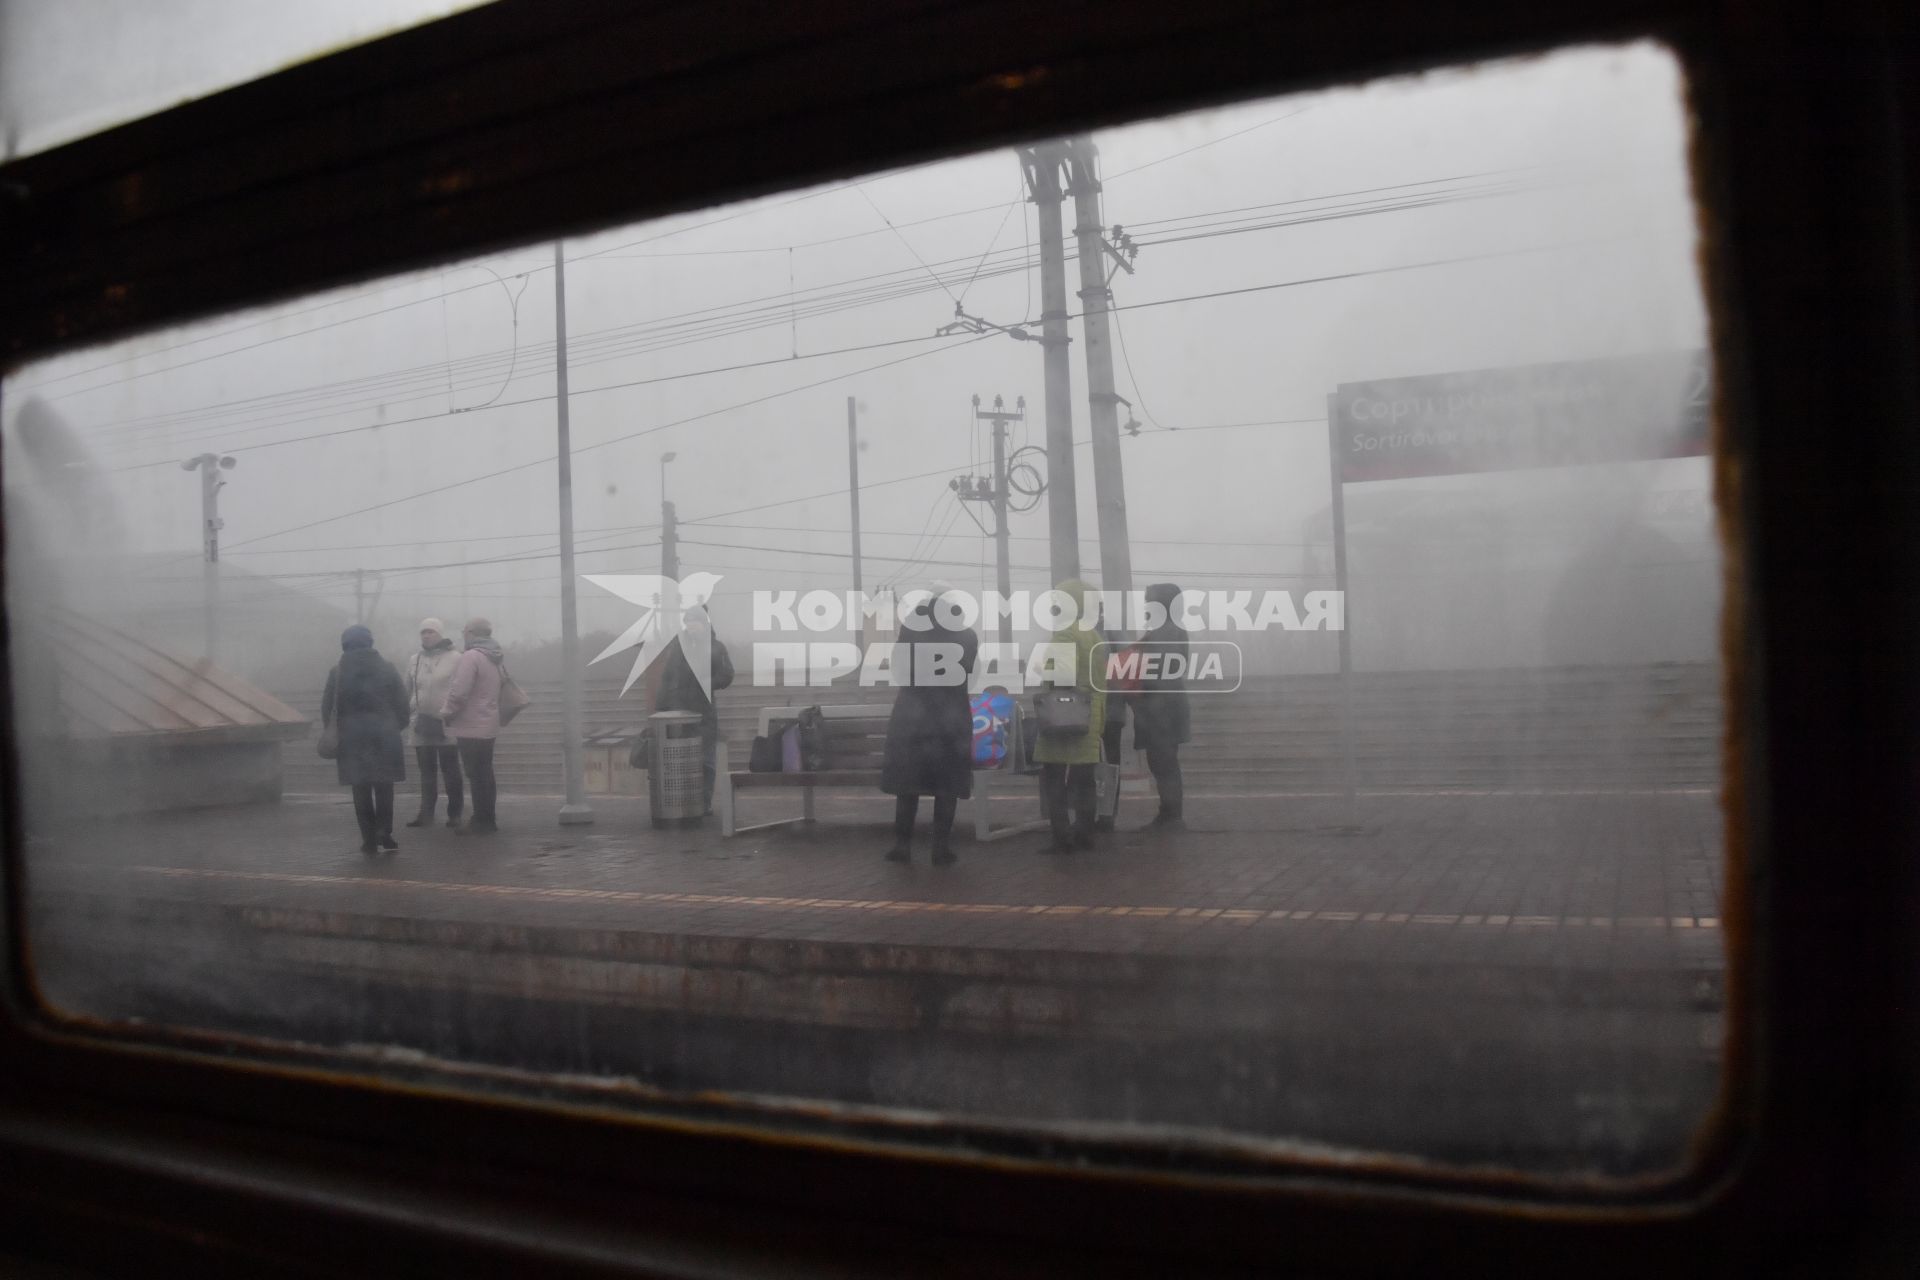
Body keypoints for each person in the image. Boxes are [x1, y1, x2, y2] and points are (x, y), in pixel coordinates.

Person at [879, 586, 979, 866]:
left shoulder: (912, 630)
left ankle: (902, 845)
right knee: (947, 785)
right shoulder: (966, 634)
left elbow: (898, 669)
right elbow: (969, 673)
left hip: (913, 716)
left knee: (907, 785)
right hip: (950, 717)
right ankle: (941, 848)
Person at [1033, 578, 1107, 853]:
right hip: (1091, 711)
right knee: (1084, 777)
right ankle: (1085, 833)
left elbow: (1061, 676)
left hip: (1064, 713)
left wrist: (1043, 670)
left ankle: (1061, 837)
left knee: (1053, 776)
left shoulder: (1066, 632)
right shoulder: (1094, 634)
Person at [321, 625, 408, 855]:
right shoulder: (387, 668)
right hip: (385, 735)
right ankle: (385, 831)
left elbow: (327, 708)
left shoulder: (337, 672)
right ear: (370, 642)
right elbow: (403, 704)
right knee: (384, 786)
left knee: (360, 789)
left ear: (345, 644)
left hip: (351, 738)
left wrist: (338, 731)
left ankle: (368, 838)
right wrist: (394, 726)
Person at [653, 605, 734, 815]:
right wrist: (661, 706)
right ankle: (684, 803)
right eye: (688, 622)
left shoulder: (716, 647)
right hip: (680, 713)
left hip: (704, 712)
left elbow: (727, 675)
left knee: (706, 760)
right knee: (680, 760)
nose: (691, 626)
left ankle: (704, 803)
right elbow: (667, 677)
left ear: (704, 623)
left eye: (694, 622)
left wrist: (706, 683)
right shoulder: (679, 648)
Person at [1130, 581, 1192, 827]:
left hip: (1162, 709)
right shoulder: (1168, 629)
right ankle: (1169, 813)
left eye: (1149, 599)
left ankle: (1171, 815)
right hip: (1162, 706)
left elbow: (1159, 670)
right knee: (1162, 762)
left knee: (1163, 762)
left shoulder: (1166, 631)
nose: (1145, 605)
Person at [441, 617, 505, 833]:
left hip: (470, 725)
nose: (462, 635)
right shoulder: (494, 656)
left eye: (464, 631)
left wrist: (446, 712)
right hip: (489, 722)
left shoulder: (471, 656)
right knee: (485, 771)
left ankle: (481, 820)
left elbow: (459, 692)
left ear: (471, 633)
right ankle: (488, 818)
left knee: (475, 773)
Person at [403, 617, 464, 828]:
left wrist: (452, 713)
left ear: (440, 634)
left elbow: (461, 688)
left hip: (446, 722)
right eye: (423, 632)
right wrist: (410, 710)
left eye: (431, 632)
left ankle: (455, 813)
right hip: (421, 723)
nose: (427, 635)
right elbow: (408, 688)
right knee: (426, 771)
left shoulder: (456, 658)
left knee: (451, 770)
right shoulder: (414, 659)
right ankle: (426, 813)